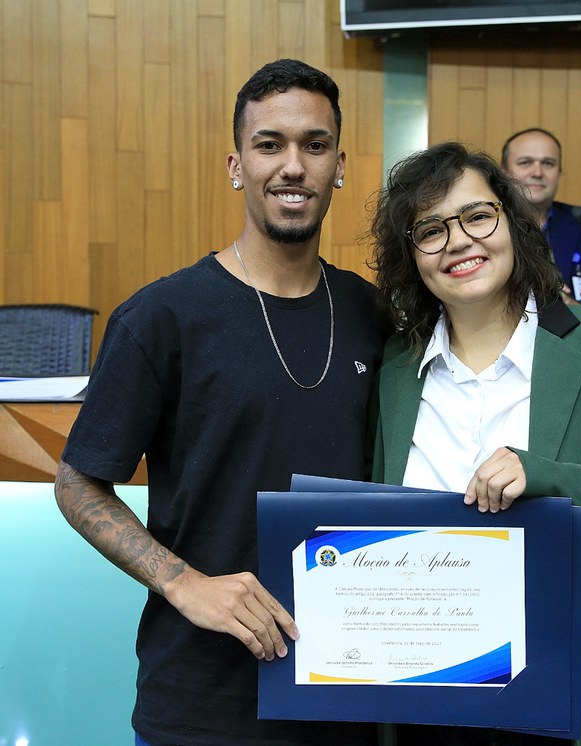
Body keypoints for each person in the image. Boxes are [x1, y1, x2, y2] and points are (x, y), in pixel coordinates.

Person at [54, 59, 386, 746]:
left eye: (314, 145)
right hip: (200, 706)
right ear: (238, 166)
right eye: (269, 144)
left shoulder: (372, 314)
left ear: (338, 167)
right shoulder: (162, 316)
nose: (292, 166)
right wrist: (183, 582)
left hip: (347, 695)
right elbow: (77, 483)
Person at [368, 142, 581, 746]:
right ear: (411, 255)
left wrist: (553, 483)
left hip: (572, 700)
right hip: (426, 706)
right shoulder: (395, 370)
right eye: (430, 230)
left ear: (513, 221)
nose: (458, 241)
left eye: (477, 216)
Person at [501, 128, 581, 313]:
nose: (537, 172)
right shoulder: (487, 224)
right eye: (525, 163)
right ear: (504, 172)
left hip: (576, 328)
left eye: (548, 163)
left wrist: (577, 308)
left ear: (559, 172)